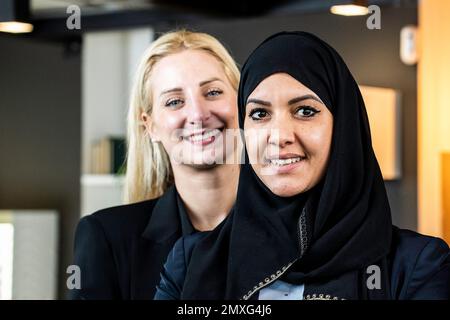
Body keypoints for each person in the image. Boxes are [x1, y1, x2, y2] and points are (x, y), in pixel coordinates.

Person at [154, 31, 450, 300]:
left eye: (305, 111)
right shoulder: (190, 262)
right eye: (259, 114)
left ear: (344, 128)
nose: (280, 136)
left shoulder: (416, 266)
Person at [69, 30, 241, 299]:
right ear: (150, 126)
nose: (197, 113)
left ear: (241, 102)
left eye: (213, 92)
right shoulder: (107, 238)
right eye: (174, 102)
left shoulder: (296, 226)